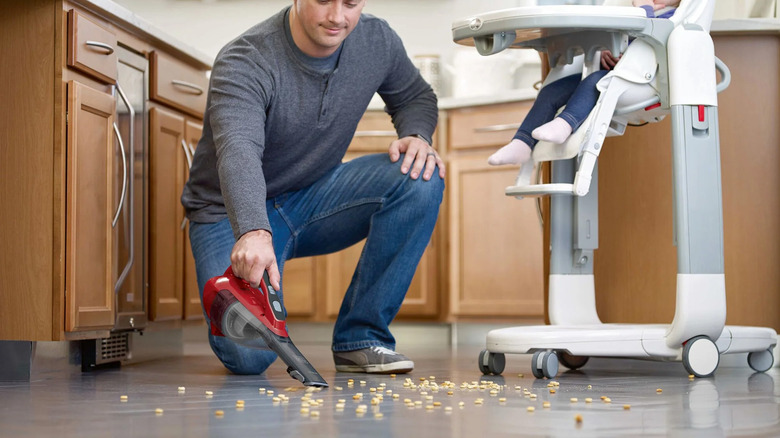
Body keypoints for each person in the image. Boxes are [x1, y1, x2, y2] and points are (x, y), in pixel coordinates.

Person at [181, 0, 445, 375]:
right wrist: (254, 230)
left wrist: (417, 135)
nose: (338, 17)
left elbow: (415, 96)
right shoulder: (245, 58)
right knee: (249, 356)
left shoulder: (376, 40)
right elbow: (239, 149)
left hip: (310, 199)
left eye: (351, 3)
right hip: (227, 214)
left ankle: (362, 338)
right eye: (323, 1)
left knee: (421, 174)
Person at [487, 0, 680, 183]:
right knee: (552, 91)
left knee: (594, 84)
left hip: (639, 81)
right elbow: (617, 37)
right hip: (611, 72)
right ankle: (521, 142)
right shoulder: (637, 13)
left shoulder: (672, 17)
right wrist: (606, 50)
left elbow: (648, 33)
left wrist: (644, 7)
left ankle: (564, 124)